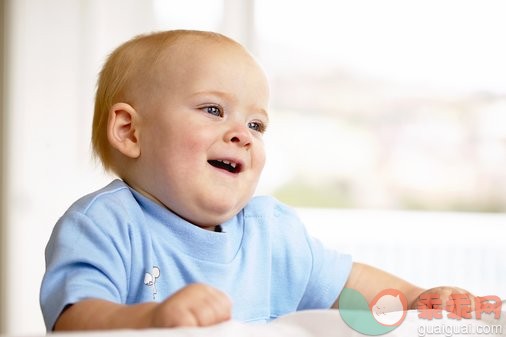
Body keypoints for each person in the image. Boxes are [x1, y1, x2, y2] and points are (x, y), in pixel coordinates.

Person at [39, 30, 473, 331]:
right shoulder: (104, 225)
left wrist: (416, 297)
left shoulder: (271, 231)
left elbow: (349, 284)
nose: (241, 134)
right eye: (213, 110)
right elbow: (75, 320)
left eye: (257, 124)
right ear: (130, 131)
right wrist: (151, 322)